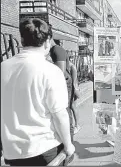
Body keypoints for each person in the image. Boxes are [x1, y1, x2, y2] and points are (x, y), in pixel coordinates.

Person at [1, 18, 75, 166]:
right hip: (45, 149)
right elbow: (59, 115)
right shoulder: (50, 71)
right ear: (48, 41)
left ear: (21, 40)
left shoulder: (3, 67)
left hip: (13, 151)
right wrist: (68, 145)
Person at [50, 40, 75, 143]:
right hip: (63, 83)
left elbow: (60, 73)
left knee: (65, 110)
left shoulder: (57, 49)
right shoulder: (54, 50)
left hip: (63, 84)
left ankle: (69, 142)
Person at [66, 54, 81, 135]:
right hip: (69, 89)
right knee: (70, 107)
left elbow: (74, 81)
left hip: (73, 89)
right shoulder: (66, 66)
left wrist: (76, 92)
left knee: (73, 106)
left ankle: (77, 125)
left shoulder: (72, 67)